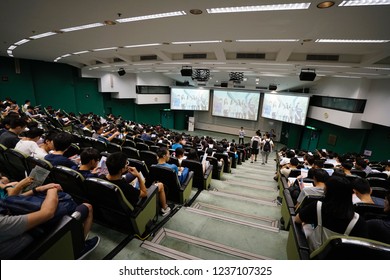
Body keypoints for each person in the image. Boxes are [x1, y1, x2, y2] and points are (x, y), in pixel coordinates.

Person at [0, 184, 99, 259]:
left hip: (26, 228)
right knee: (87, 207)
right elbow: (47, 213)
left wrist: (37, 189)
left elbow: (9, 200)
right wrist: (52, 190)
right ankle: (79, 249)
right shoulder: (2, 223)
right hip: (35, 242)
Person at [295, 175, 368, 250]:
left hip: (314, 252)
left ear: (328, 192)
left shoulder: (317, 206)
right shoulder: (359, 221)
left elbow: (297, 219)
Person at [103, 152, 171, 216]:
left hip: (115, 207)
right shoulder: (126, 187)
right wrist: (138, 176)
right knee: (160, 185)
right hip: (135, 207)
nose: (127, 165)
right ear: (121, 170)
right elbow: (144, 194)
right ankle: (164, 208)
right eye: (126, 163)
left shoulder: (101, 178)